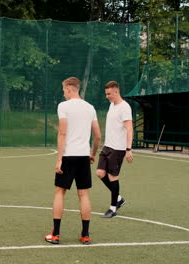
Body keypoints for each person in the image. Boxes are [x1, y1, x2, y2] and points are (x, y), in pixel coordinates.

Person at [45, 77, 101, 245]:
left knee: (59, 192)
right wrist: (92, 153)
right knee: (83, 194)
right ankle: (85, 235)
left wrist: (59, 159)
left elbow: (62, 133)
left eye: (64, 90)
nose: (63, 93)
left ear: (69, 89)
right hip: (83, 156)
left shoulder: (64, 106)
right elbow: (97, 136)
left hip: (68, 156)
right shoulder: (90, 108)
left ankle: (55, 234)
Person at [96, 81, 133, 218]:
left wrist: (128, 149)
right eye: (106, 94)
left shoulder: (125, 107)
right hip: (108, 146)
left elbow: (129, 129)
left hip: (118, 149)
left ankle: (113, 209)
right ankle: (119, 199)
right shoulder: (111, 105)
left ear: (116, 92)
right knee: (100, 173)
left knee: (112, 177)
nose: (107, 96)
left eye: (109, 94)